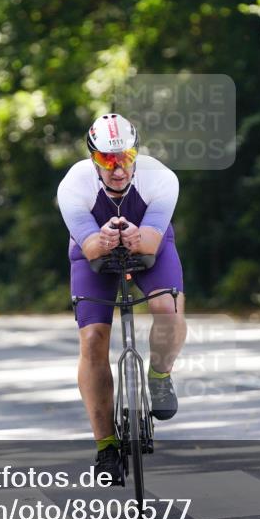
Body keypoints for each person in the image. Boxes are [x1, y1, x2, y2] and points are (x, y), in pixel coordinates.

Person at [56, 114, 187, 485]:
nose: (118, 170)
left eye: (125, 158)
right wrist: (105, 237)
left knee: (167, 309)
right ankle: (106, 448)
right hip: (92, 252)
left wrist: (132, 233)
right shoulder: (74, 186)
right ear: (93, 159)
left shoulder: (160, 178)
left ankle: (160, 375)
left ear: (136, 152)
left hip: (149, 245)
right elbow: (92, 247)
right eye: (107, 162)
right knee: (94, 339)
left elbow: (149, 244)